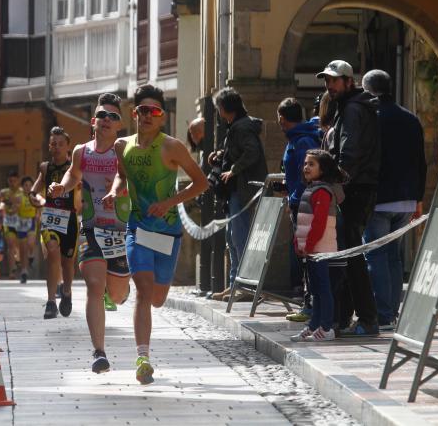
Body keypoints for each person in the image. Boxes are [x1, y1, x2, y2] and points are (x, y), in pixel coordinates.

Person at [104, 84, 208, 384]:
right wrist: (113, 192)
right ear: (134, 114)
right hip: (137, 228)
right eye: (142, 110)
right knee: (143, 291)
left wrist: (168, 203)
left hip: (168, 233)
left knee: (159, 298)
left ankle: (143, 344)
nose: (148, 115)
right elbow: (122, 176)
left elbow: (201, 183)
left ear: (162, 117)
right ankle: (143, 357)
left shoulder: (172, 147)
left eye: (155, 111)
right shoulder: (122, 146)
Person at [50, 93, 133, 373]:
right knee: (94, 286)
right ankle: (99, 352)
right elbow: (73, 174)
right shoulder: (81, 151)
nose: (107, 120)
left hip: (120, 230)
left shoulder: (126, 149)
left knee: (119, 294)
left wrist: (118, 191)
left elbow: (133, 181)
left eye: (113, 116)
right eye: (102, 115)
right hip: (91, 228)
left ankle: (120, 290)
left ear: (120, 125)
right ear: (93, 121)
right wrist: (62, 186)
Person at [318, 59, 381, 336]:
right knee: (346, 255)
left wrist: (337, 184)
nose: (330, 85)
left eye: (334, 80)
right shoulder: (347, 107)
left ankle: (367, 318)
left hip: (353, 191)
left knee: (351, 256)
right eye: (327, 81)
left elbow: (350, 154)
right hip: (353, 188)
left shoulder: (353, 109)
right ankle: (346, 317)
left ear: (348, 81)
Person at [361, 69, 426, 331]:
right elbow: (421, 162)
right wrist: (418, 198)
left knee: (376, 256)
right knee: (394, 257)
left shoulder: (371, 118)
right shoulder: (410, 118)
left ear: (367, 91)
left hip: (378, 198)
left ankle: (384, 314)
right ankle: (392, 311)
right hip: (406, 199)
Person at [207, 87, 268, 301]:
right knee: (232, 238)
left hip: (242, 191)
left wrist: (234, 169)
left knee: (239, 238)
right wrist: (221, 155)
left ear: (223, 108)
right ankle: (235, 284)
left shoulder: (241, 128)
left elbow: (252, 152)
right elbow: (239, 151)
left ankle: (245, 287)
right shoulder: (236, 127)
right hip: (234, 192)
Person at [290, 150, 347, 343]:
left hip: (320, 249)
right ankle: (314, 325)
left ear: (322, 169)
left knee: (323, 288)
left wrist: (309, 244)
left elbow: (319, 222)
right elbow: (303, 222)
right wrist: (299, 242)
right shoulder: (311, 189)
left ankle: (326, 327)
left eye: (311, 164)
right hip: (310, 249)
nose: (306, 167)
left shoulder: (322, 191)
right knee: (314, 288)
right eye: (305, 163)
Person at [277, 98, 321, 322]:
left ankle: (311, 306)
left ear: (282, 119)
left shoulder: (301, 141)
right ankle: (309, 303)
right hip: (298, 200)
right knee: (304, 256)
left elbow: (306, 176)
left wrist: (297, 198)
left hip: (304, 203)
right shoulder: (297, 138)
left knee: (307, 256)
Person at [31, 126, 78, 319]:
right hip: (50, 218)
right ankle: (51, 302)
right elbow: (33, 193)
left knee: (67, 264)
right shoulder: (45, 168)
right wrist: (41, 201)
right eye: (53, 144)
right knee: (52, 250)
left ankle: (66, 292)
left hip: (70, 219)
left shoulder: (74, 168)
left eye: (60, 144)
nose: (57, 147)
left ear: (68, 146)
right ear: (49, 147)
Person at [15, 176, 37, 283]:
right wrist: (17, 206)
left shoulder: (35, 196)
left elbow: (39, 206)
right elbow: (15, 209)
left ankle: (31, 254)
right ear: (22, 187)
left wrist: (38, 215)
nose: (28, 187)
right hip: (21, 223)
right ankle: (24, 271)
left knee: (31, 243)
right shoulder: (19, 197)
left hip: (31, 221)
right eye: (25, 185)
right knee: (22, 249)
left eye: (30, 185)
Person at [0, 172, 22, 277]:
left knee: (17, 245)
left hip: (20, 221)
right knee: (10, 245)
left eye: (14, 181)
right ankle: (12, 270)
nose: (12, 183)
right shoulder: (4, 192)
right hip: (8, 221)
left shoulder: (22, 192)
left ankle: (18, 261)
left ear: (18, 181)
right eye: (10, 181)